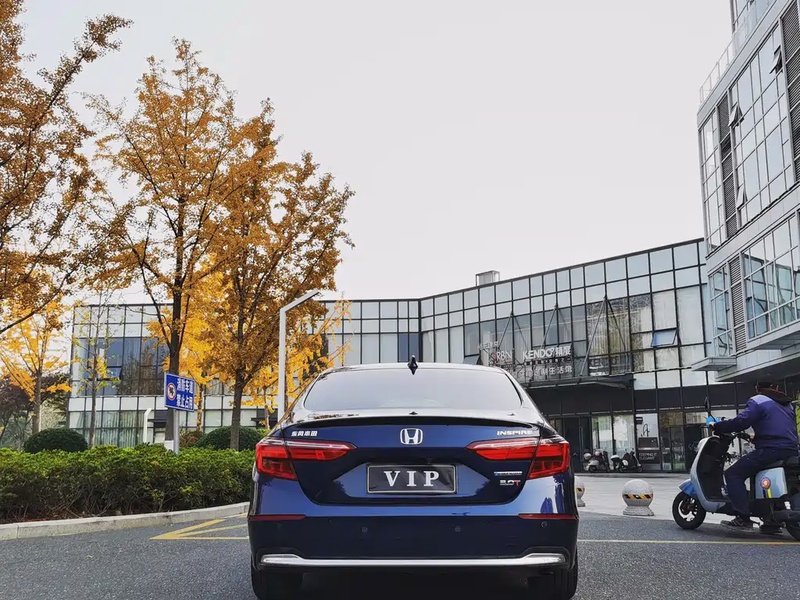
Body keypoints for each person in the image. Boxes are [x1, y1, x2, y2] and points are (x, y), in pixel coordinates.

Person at [711, 381, 799, 532]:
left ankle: (742, 518)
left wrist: (719, 426)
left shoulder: (758, 400)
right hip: (791, 450)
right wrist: (757, 438)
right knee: (760, 475)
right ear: (777, 388)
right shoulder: (787, 404)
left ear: (757, 389)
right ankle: (771, 521)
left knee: (733, 474)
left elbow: (741, 421)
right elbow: (781, 428)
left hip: (770, 450)